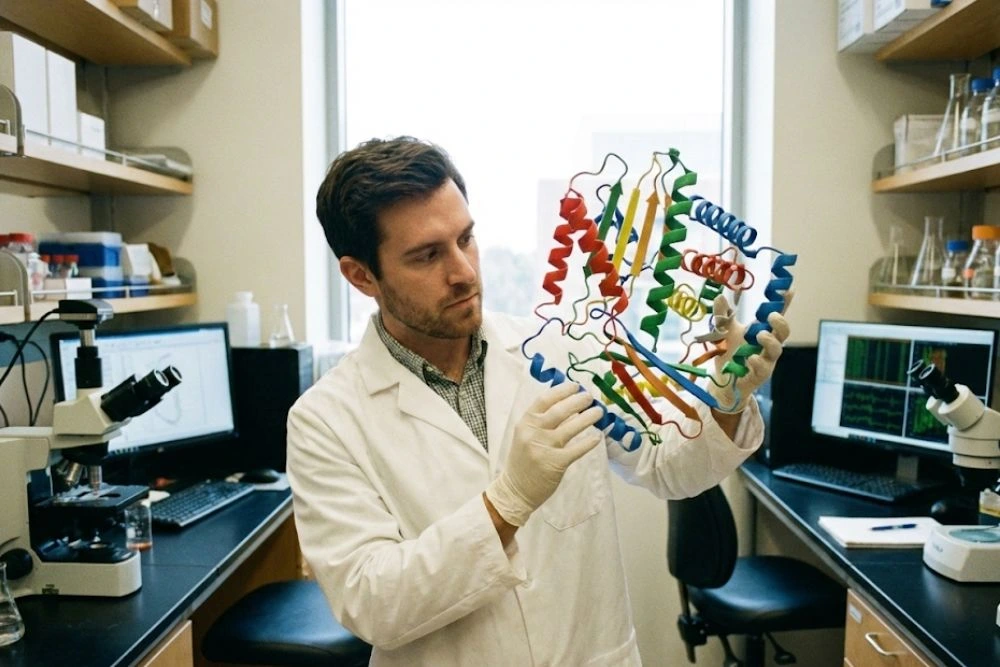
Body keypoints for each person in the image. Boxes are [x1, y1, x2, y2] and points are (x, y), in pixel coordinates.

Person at [287, 136, 791, 666]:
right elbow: (372, 604)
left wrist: (726, 401)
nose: (463, 272)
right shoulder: (325, 420)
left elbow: (669, 469)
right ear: (361, 275)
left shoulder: (557, 350)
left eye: (466, 238)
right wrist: (507, 503)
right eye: (427, 255)